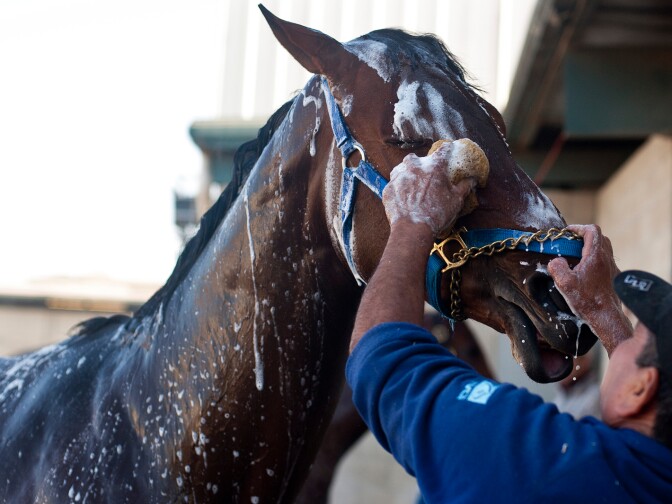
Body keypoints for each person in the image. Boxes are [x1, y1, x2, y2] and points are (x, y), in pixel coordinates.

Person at [345, 140, 672, 502]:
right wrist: (607, 316)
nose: (619, 343)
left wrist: (411, 221)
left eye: (634, 338)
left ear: (640, 389)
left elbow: (380, 364)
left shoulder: (544, 466)